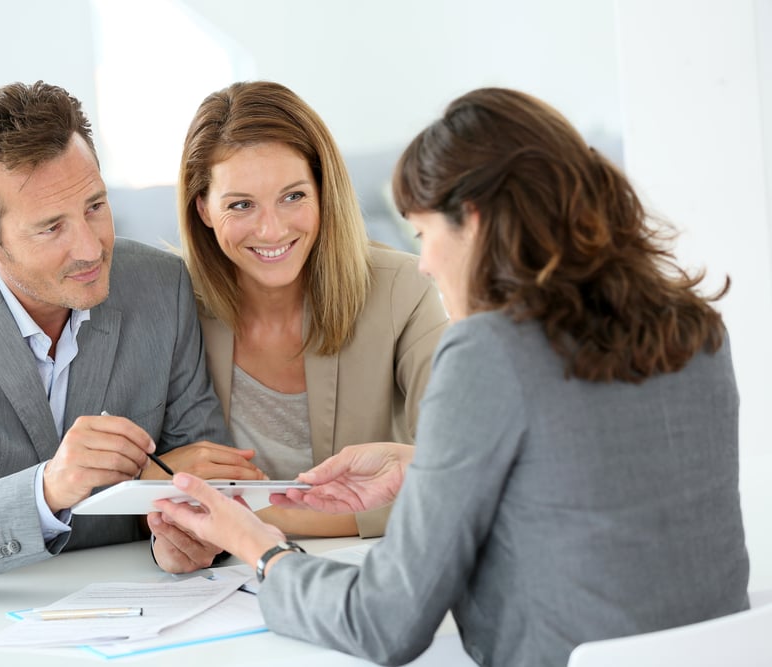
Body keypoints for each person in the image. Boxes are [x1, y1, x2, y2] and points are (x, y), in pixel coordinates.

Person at [153, 87, 751, 666]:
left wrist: (262, 550)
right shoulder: (694, 328)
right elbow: (588, 480)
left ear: (474, 219)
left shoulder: (487, 352)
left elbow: (382, 623)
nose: (425, 262)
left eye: (424, 233)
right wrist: (422, 468)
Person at [0, 80, 263, 601]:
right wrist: (47, 490)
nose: (90, 248)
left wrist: (181, 542)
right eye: (50, 228)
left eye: (94, 206)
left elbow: (203, 478)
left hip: (139, 612)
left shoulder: (162, 286)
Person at [172, 80, 448, 539]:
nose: (272, 229)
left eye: (293, 196)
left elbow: (459, 471)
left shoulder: (404, 290)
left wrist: (262, 522)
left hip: (366, 575)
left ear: (323, 189)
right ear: (203, 209)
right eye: (241, 205)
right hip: (216, 585)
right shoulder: (174, 306)